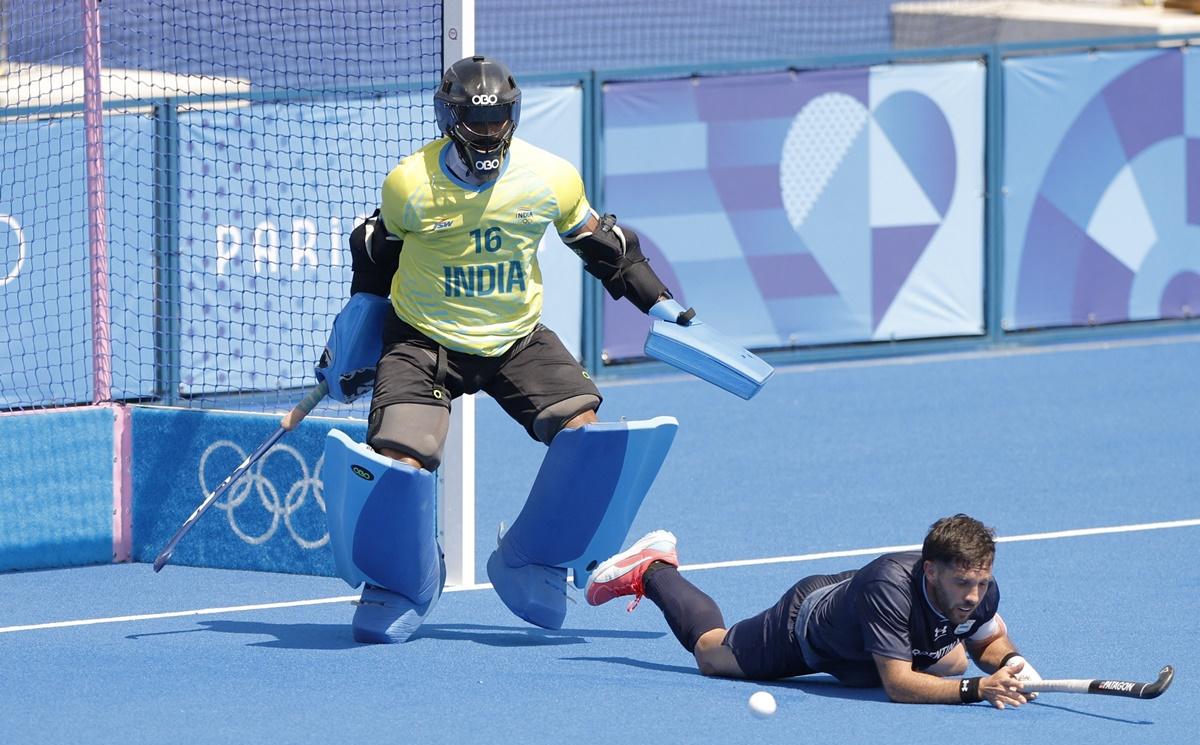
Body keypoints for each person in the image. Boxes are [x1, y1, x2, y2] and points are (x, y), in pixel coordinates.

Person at [318, 55, 694, 644]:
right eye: (476, 121)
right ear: (450, 118)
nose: (489, 133)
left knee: (588, 438)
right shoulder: (409, 185)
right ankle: (404, 582)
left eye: (499, 121)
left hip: (516, 339)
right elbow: (374, 265)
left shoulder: (549, 177)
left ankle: (529, 558)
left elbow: (603, 244)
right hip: (425, 341)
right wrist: (349, 343)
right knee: (399, 461)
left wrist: (660, 303)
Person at [585, 514, 1044, 709]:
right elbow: (899, 686)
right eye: (962, 583)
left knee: (956, 657)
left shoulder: (981, 589)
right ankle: (654, 569)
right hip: (804, 629)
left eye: (980, 582)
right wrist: (979, 690)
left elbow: (987, 639)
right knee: (710, 654)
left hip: (862, 644)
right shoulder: (890, 587)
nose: (972, 594)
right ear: (930, 570)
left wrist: (1011, 663)